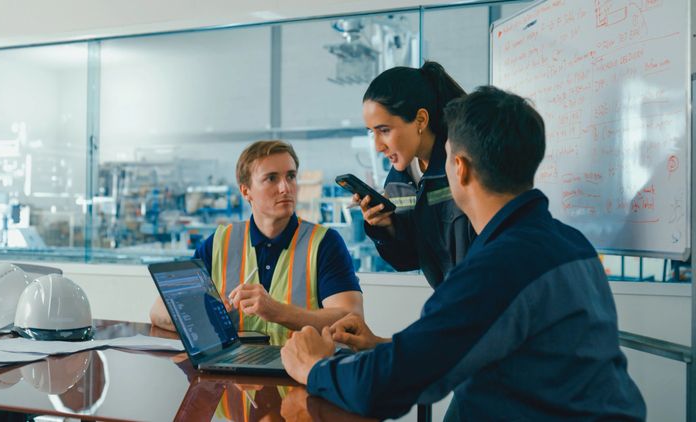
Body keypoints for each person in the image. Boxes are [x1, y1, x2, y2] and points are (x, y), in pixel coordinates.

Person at [281, 87, 646, 421]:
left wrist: (314, 368)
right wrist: (382, 346)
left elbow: (384, 390)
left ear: (460, 167)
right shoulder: (570, 244)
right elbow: (506, 345)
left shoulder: (496, 268)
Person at [150, 140, 363, 346]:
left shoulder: (325, 243)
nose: (285, 188)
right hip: (232, 369)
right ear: (246, 191)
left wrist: (277, 311)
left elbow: (351, 320)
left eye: (291, 176)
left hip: (302, 368)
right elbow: (159, 311)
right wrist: (207, 317)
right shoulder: (220, 242)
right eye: (271, 178)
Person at [357, 61, 476, 287]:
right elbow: (409, 259)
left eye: (384, 130)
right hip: (450, 299)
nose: (378, 146)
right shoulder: (398, 180)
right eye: (372, 132)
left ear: (421, 120)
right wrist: (386, 228)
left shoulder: (464, 165)